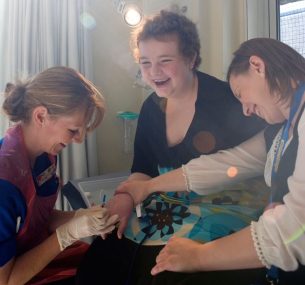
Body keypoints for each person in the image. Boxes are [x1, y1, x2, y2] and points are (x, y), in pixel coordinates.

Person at [76, 11, 267, 285]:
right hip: (168, 205)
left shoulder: (228, 100)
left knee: (162, 273)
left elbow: (262, 160)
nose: (154, 72)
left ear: (190, 58)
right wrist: (126, 198)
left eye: (165, 61)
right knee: (100, 263)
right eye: (145, 62)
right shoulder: (151, 109)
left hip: (228, 205)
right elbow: (142, 170)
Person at [117, 38, 305, 284]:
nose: (246, 110)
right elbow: (225, 164)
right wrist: (149, 186)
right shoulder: (280, 131)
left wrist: (198, 256)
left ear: (257, 66)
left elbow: (295, 232)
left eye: (241, 94)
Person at [0, 66, 119, 285]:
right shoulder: (4, 183)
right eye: (73, 130)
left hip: (32, 250)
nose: (79, 139)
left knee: (108, 263)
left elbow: (35, 219)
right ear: (41, 116)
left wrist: (79, 217)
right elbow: (6, 280)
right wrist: (67, 234)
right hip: (13, 274)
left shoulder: (45, 155)